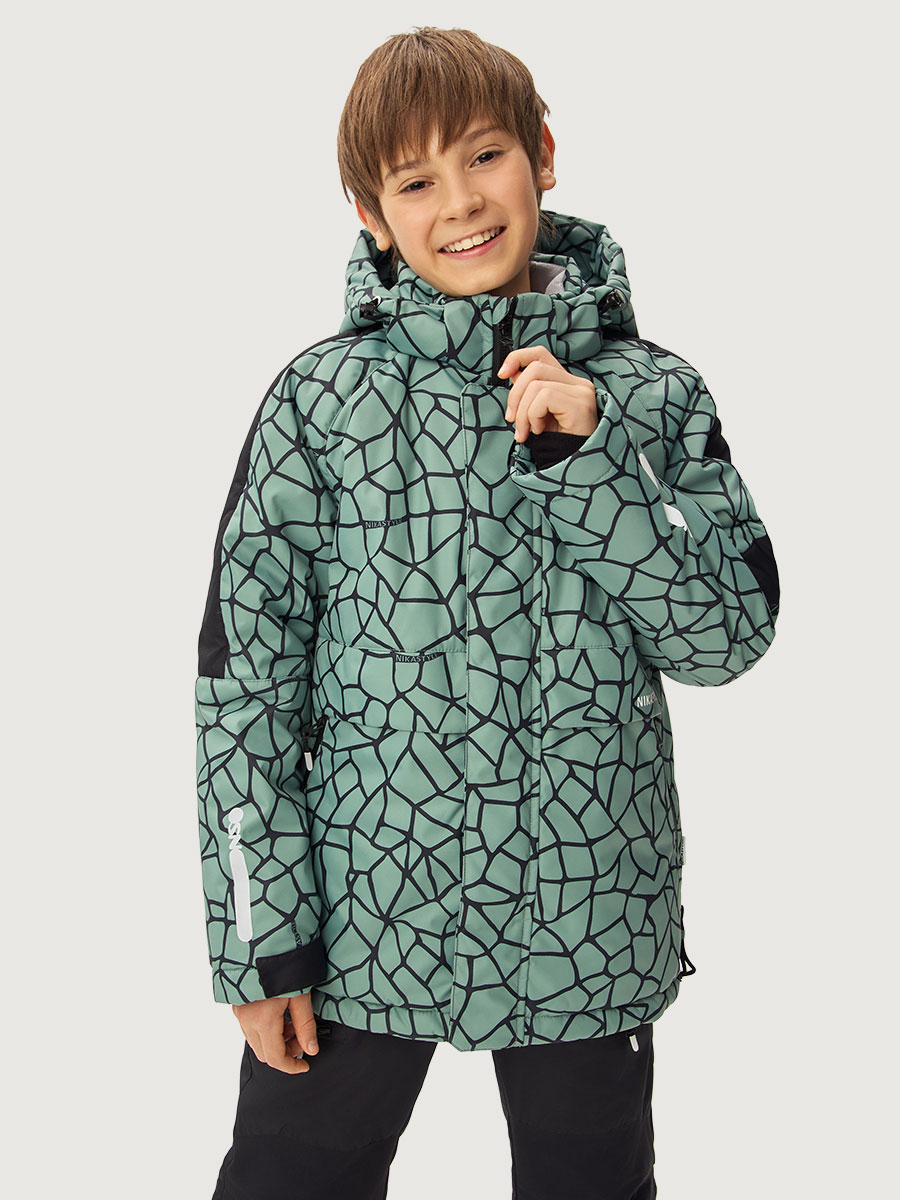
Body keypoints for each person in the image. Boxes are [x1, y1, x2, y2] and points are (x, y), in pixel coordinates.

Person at [194, 25, 780, 1200]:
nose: (460, 203)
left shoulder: (654, 396)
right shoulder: (320, 405)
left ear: (543, 154)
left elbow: (727, 636)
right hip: (366, 921)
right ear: (372, 215)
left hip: (587, 920)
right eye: (414, 182)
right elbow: (243, 690)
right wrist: (261, 942)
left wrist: (595, 462)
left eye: (483, 156)